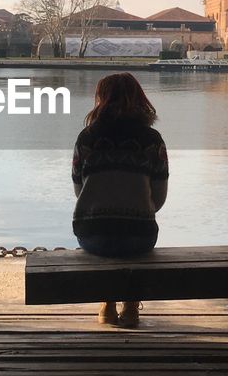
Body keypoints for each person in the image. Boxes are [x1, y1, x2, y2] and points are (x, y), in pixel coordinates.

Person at [70, 72, 168, 328]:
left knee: (106, 237)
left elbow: (79, 190)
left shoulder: (86, 138)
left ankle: (107, 303)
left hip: (92, 234)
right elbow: (159, 198)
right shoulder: (152, 140)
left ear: (100, 99)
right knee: (131, 238)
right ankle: (131, 306)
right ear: (140, 99)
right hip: (140, 235)